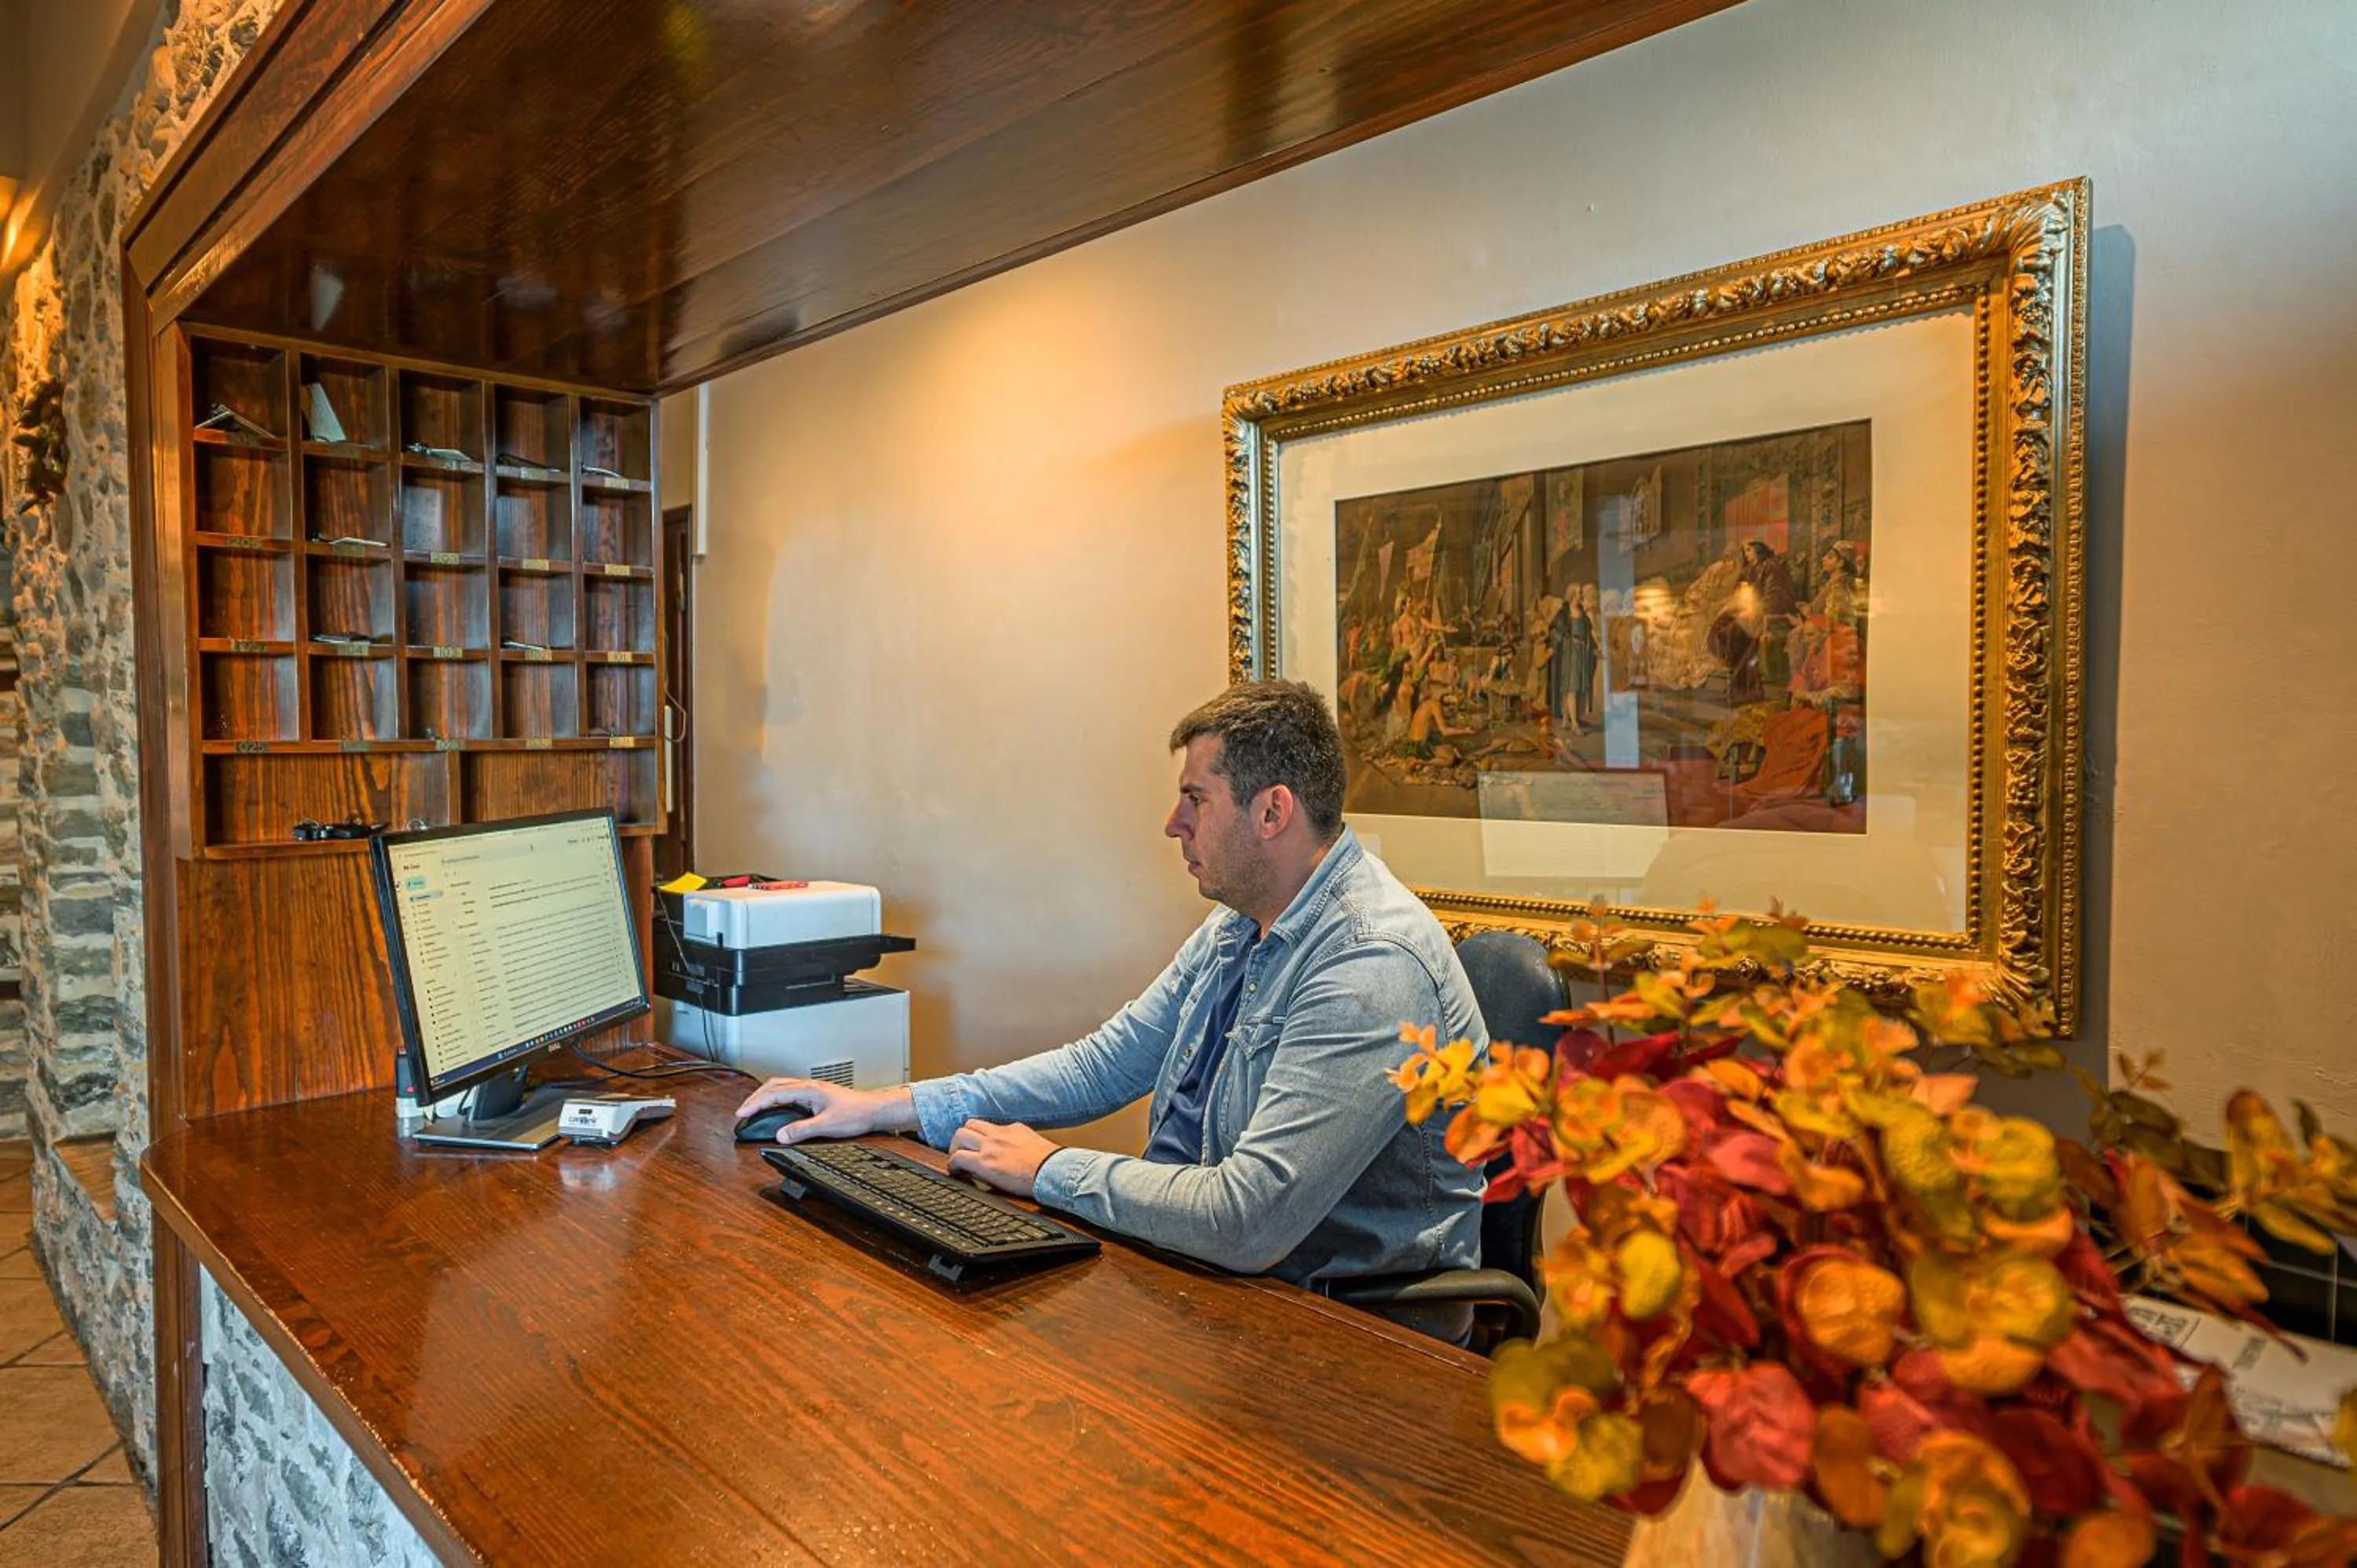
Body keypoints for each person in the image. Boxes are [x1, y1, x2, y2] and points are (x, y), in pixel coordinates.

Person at [735, 680, 1487, 1314]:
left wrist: (1048, 1171)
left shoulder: (1368, 964)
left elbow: (1247, 1219)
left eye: (1196, 800)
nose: (1174, 825)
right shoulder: (1243, 922)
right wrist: (886, 1106)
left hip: (1335, 1324)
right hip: (1204, 1279)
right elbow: (1103, 1065)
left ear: (1272, 812)